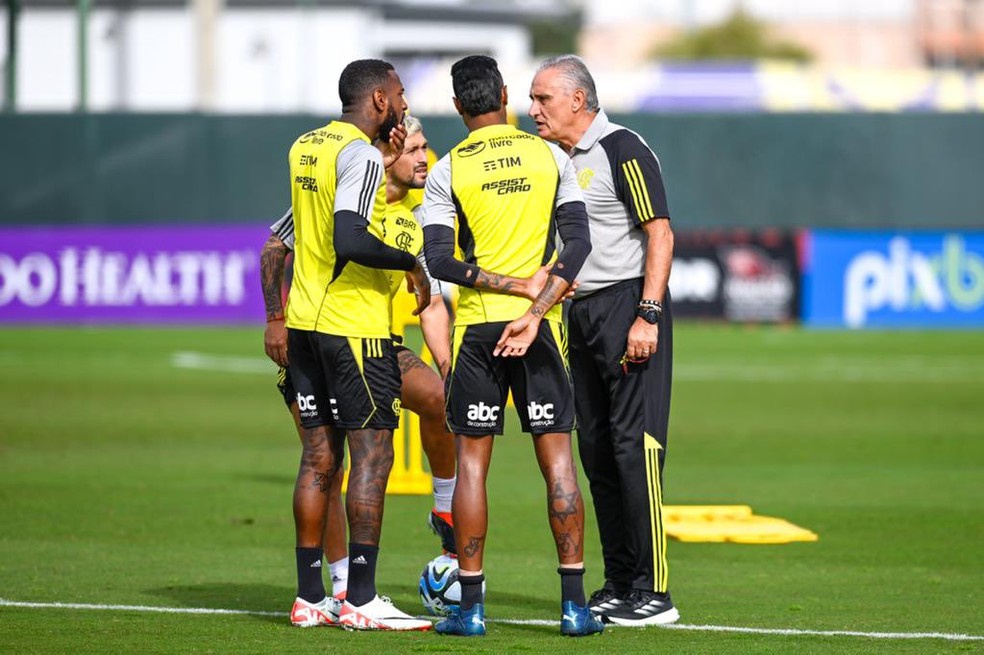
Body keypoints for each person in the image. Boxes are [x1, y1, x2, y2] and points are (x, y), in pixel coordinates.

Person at [420, 54, 603, 638]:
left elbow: (441, 260)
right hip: (540, 329)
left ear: (456, 106)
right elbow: (578, 245)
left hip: (476, 331)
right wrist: (536, 307)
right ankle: (574, 607)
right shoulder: (550, 155)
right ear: (503, 93)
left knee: (472, 467)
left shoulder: (447, 169)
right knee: (558, 464)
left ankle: (469, 610)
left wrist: (503, 287)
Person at [260, 116, 458, 608]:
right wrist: (275, 318)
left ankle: (446, 508)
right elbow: (274, 248)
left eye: (425, 147)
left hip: (380, 345)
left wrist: (447, 363)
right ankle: (342, 584)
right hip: (318, 337)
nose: (423, 158)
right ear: (389, 151)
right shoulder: (348, 189)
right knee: (327, 462)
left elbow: (431, 302)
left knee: (438, 397)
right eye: (413, 148)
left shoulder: (422, 213)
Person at [528, 54, 679, 627]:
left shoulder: (623, 148)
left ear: (577, 100)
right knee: (593, 449)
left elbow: (659, 232)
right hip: (580, 312)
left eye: (543, 98)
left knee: (632, 449)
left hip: (625, 307)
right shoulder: (554, 160)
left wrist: (648, 313)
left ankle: (655, 590)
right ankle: (619, 584)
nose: (534, 108)